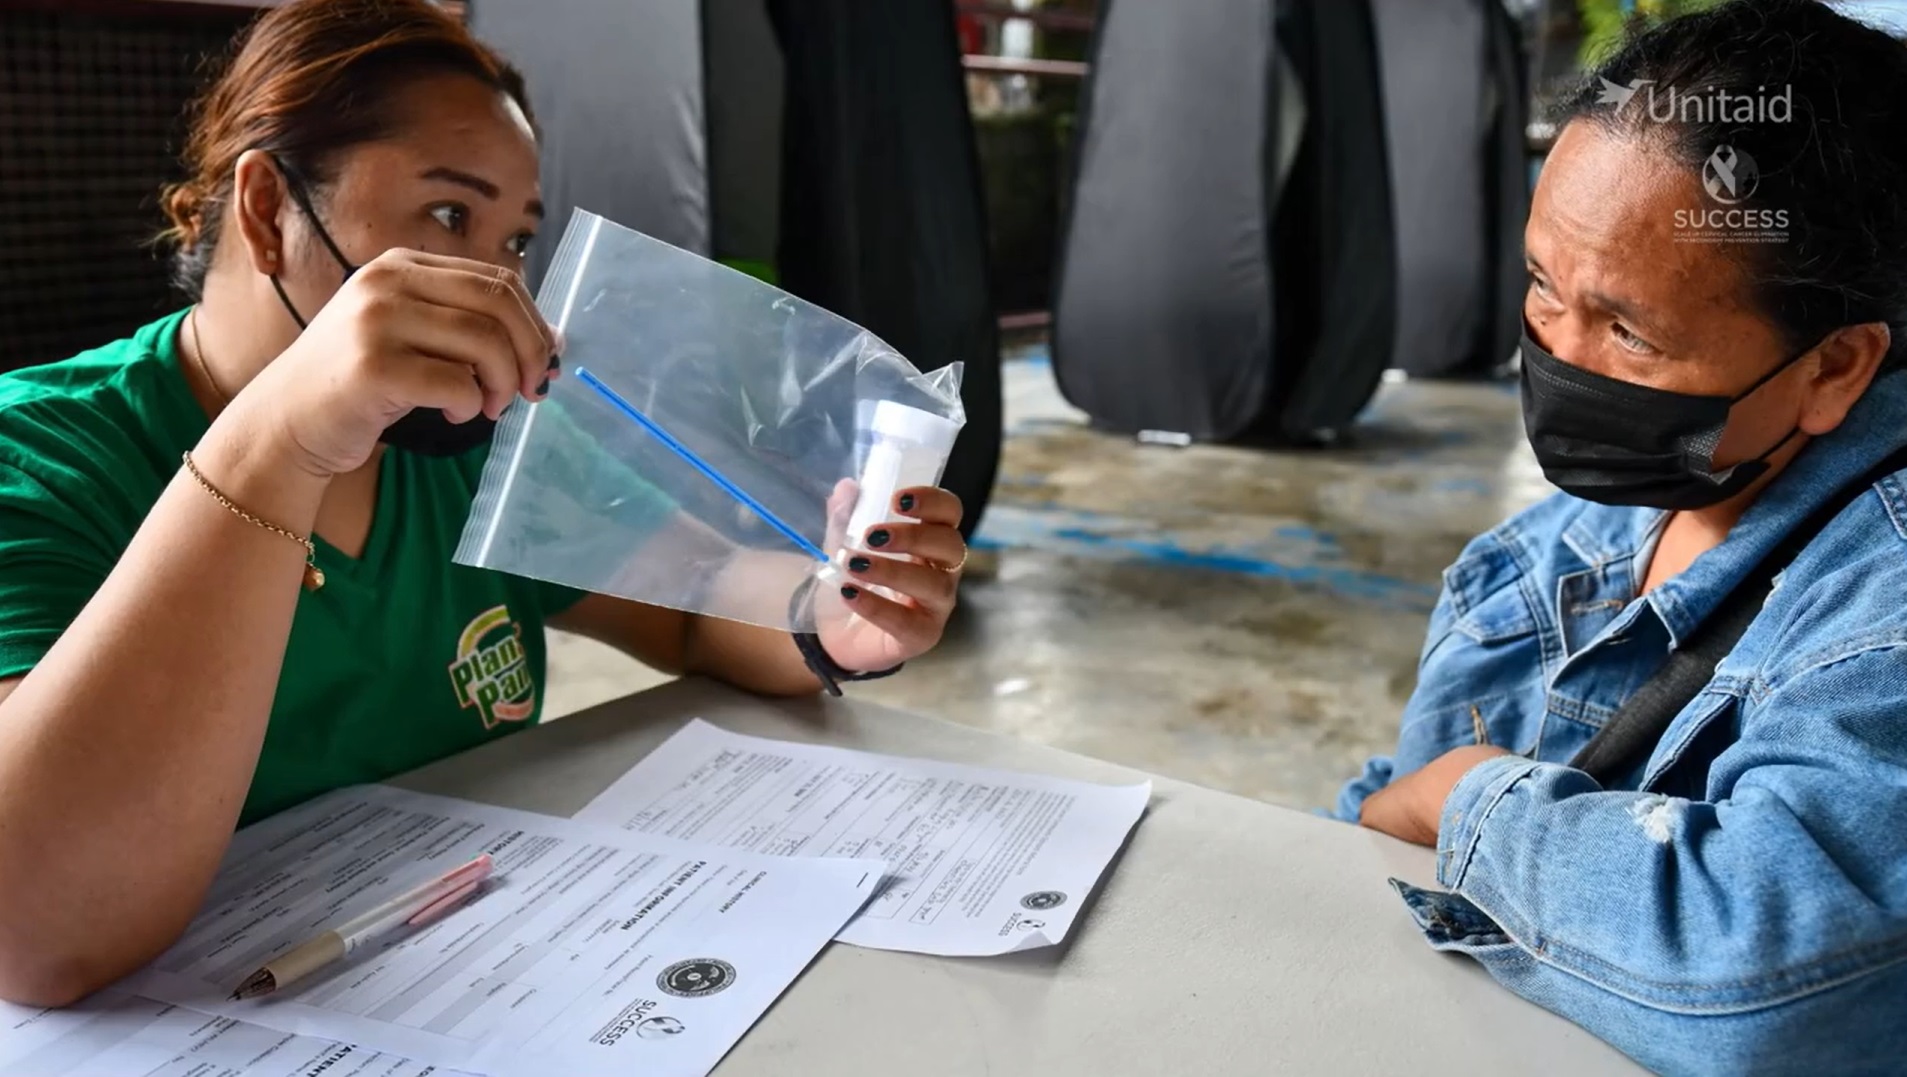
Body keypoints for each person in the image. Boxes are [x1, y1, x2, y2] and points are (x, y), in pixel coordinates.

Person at [0, 0, 966, 1007]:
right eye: (449, 215)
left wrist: (833, 615)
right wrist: (283, 436)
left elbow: (697, 594)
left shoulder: (460, 452)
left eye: (513, 243)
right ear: (264, 210)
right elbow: (36, 935)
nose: (493, 284)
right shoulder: (37, 458)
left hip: (471, 987)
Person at [1336, 1, 1907, 1071]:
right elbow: (1392, 823)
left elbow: (1764, 983)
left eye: (1629, 332)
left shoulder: (1879, 618)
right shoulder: (1552, 552)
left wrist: (1469, 803)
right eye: (1543, 287)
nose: (1557, 356)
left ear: (1833, 367)